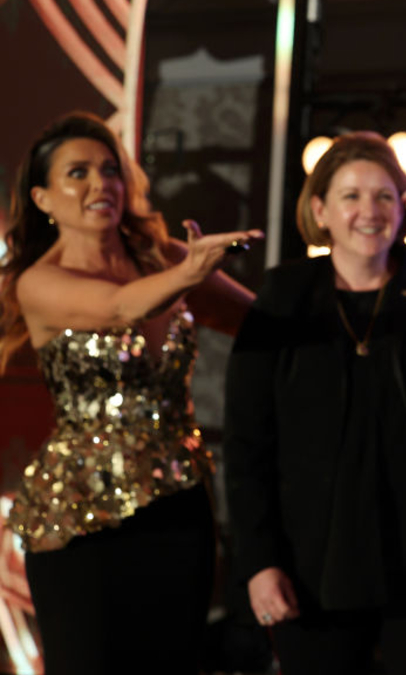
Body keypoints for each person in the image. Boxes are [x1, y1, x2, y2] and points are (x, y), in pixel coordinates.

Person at [223, 131, 406, 674]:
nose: (370, 211)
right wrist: (258, 560)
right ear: (320, 210)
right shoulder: (285, 295)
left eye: (385, 196)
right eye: (351, 196)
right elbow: (247, 443)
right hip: (318, 560)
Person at [0, 111, 260, 674]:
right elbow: (119, 308)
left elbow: (259, 321)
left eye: (109, 169)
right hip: (80, 522)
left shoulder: (160, 256)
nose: (101, 184)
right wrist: (191, 272)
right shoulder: (38, 280)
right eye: (78, 173)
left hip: (177, 504)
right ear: (43, 198)